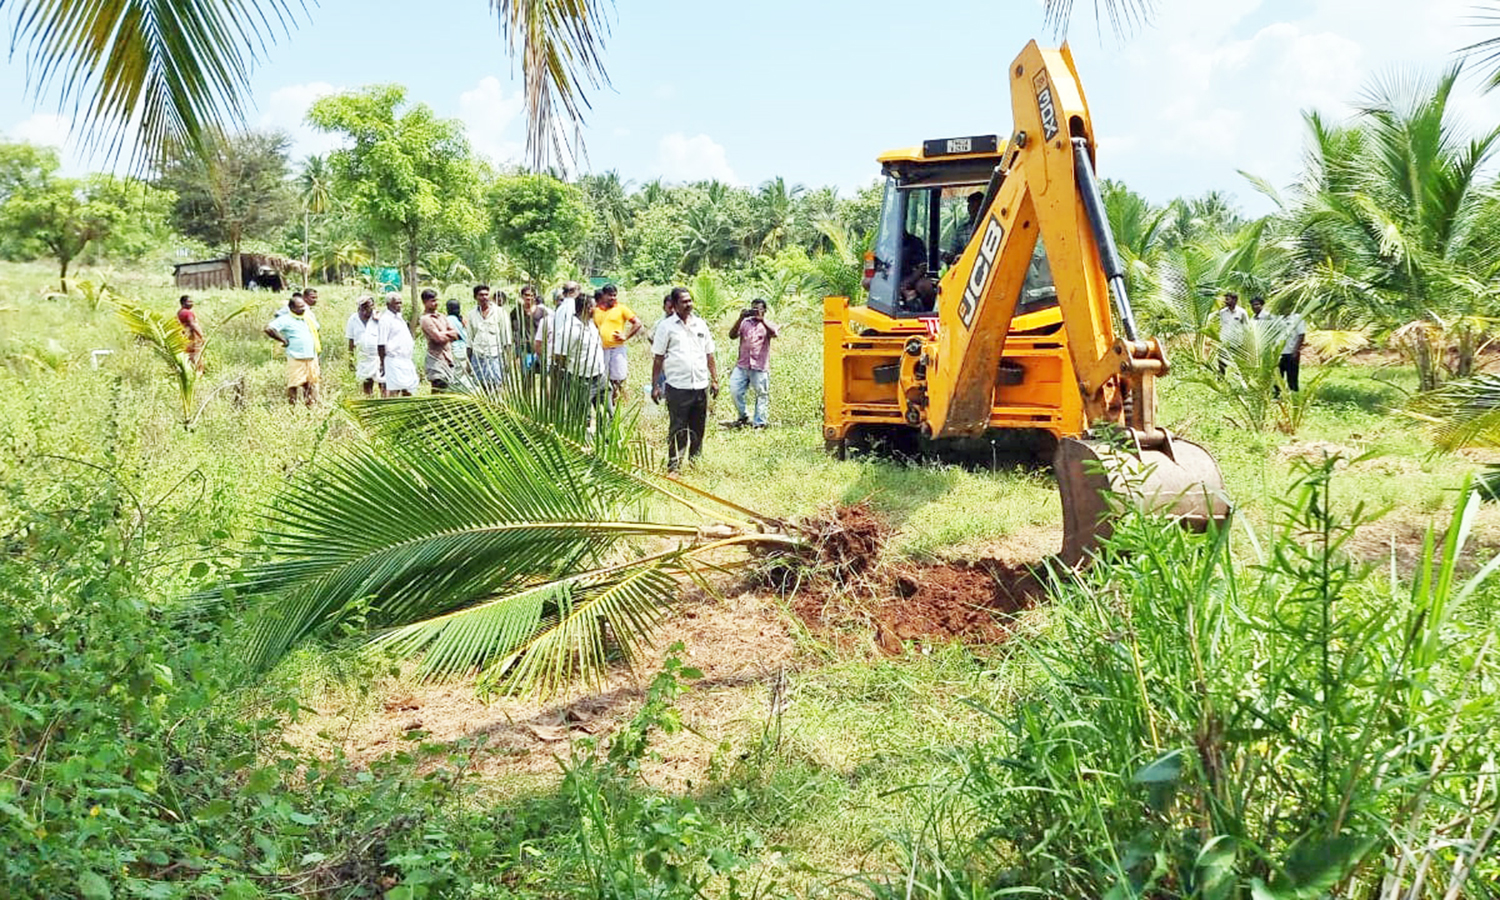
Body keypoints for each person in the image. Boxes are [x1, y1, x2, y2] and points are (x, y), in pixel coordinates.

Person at [651, 286, 718, 473]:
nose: (689, 304)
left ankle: (695, 463)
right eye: (684, 301)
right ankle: (674, 467)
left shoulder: (700, 324)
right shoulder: (666, 327)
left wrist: (715, 379)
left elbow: (709, 354)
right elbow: (658, 358)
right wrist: (655, 385)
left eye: (690, 301)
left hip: (700, 385)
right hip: (678, 386)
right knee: (678, 427)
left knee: (698, 427)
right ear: (674, 304)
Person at [725, 298, 779, 429]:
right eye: (753, 308)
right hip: (742, 365)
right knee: (735, 390)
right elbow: (732, 335)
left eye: (758, 309)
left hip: (759, 366)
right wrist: (740, 318)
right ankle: (743, 416)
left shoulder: (768, 324)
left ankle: (759, 423)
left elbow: (775, 333)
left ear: (764, 310)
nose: (755, 311)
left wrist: (762, 320)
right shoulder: (745, 323)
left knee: (761, 394)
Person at [264, 295, 319, 406]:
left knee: (310, 383)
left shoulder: (307, 318)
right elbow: (269, 329)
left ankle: (310, 407)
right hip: (296, 357)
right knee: (294, 384)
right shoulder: (285, 319)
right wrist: (283, 340)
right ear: (292, 308)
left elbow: (317, 329)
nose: (303, 309)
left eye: (303, 306)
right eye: (300, 307)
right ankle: (292, 408)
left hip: (311, 356)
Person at [592, 284, 642, 403]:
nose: (613, 298)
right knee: (603, 378)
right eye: (610, 295)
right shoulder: (596, 310)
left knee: (619, 378)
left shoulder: (621, 309)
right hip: (601, 350)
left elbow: (637, 323)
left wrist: (626, 336)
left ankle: (621, 401)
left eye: (615, 295)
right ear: (604, 295)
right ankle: (608, 401)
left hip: (617, 349)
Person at [469, 284, 511, 391]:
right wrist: (468, 361)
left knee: (497, 385)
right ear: (475, 297)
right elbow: (470, 339)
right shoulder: (471, 314)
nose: (484, 297)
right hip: (478, 355)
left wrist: (508, 358)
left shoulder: (500, 312)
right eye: (481, 295)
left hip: (495, 355)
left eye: (486, 294)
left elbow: (506, 337)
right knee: (481, 385)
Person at [376, 293, 418, 397]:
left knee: (409, 389)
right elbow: (381, 344)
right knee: (393, 390)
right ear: (388, 304)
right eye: (396, 303)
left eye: (400, 303)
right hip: (393, 360)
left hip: (406, 360)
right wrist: (383, 363)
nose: (399, 306)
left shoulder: (399, 318)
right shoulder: (385, 320)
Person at [418, 289, 458, 393]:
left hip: (447, 358)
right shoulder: (425, 319)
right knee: (438, 386)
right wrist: (447, 334)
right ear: (425, 302)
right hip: (435, 359)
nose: (435, 303)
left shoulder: (442, 317)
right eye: (432, 301)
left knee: (447, 388)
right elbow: (437, 338)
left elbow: (455, 334)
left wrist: (443, 334)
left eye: (436, 300)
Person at [345, 296, 379, 396]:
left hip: (378, 355)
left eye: (369, 306)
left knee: (382, 381)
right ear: (360, 307)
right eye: (364, 307)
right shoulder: (353, 319)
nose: (367, 310)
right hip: (363, 356)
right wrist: (351, 359)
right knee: (366, 382)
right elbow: (351, 341)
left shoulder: (378, 317)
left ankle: (384, 400)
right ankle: (369, 399)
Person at [1216, 291, 1248, 375]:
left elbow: (1246, 327)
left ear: (1235, 300)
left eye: (1228, 299)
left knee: (1238, 364)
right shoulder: (1222, 312)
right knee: (1222, 362)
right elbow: (1222, 325)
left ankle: (1239, 379)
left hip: (1238, 342)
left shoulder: (1242, 312)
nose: (1226, 301)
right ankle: (1221, 379)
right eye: (1225, 299)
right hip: (1225, 341)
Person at [177, 294, 205, 373]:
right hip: (192, 337)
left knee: (189, 356)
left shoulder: (180, 312)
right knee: (195, 356)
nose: (191, 303)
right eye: (189, 302)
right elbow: (193, 325)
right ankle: (197, 373)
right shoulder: (187, 313)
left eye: (192, 301)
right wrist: (201, 336)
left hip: (185, 337)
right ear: (183, 303)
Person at [445, 298, 471, 379]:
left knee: (455, 372)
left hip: (454, 348)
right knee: (463, 373)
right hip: (464, 348)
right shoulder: (461, 319)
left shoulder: (448, 319)